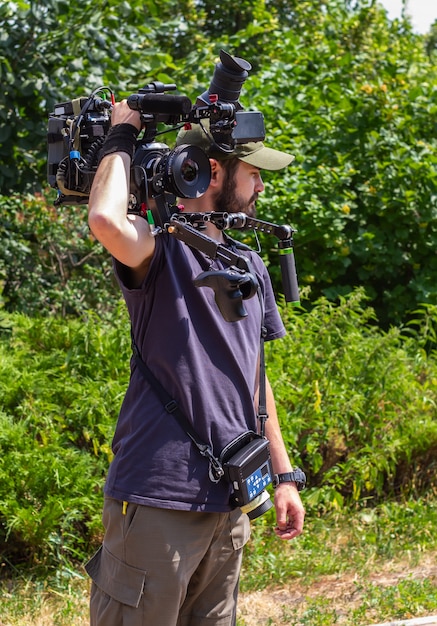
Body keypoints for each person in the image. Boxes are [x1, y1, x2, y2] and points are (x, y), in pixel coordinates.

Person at [85, 98, 305, 626]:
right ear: (212, 172)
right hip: (160, 495)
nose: (260, 188)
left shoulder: (248, 262)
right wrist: (122, 136)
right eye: (253, 173)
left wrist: (283, 473)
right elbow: (105, 219)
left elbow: (256, 377)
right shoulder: (158, 248)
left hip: (230, 499)